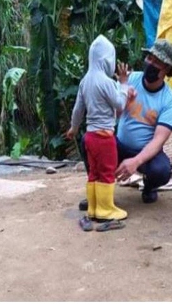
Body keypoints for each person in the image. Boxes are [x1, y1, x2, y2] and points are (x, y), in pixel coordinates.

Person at [65, 35, 134, 232]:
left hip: (89, 137)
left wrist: (74, 128)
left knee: (94, 172)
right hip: (104, 138)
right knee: (106, 172)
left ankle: (94, 209)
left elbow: (78, 109)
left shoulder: (85, 81)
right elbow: (120, 104)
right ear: (107, 59)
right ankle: (105, 210)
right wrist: (123, 83)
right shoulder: (106, 82)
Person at [114, 38, 172, 204]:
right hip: (118, 145)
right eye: (150, 58)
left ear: (167, 70)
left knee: (162, 171)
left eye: (157, 62)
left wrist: (135, 161)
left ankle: (150, 186)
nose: (150, 63)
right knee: (90, 141)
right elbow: (110, 116)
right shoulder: (129, 80)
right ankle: (97, 188)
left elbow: (158, 141)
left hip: (145, 152)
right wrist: (123, 102)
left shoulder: (169, 100)